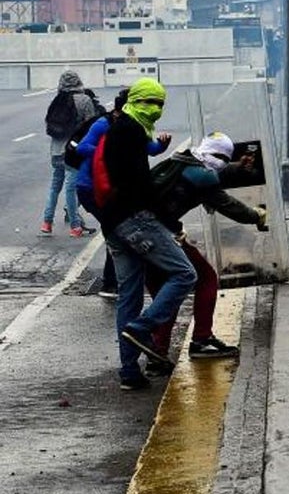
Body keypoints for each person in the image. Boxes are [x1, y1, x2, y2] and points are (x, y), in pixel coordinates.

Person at [142, 132, 269, 372]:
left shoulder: (182, 159)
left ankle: (157, 354)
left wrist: (235, 168)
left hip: (139, 233)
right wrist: (256, 215)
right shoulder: (200, 175)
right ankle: (201, 339)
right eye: (223, 159)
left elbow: (211, 175)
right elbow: (226, 203)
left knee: (165, 294)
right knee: (206, 278)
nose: (221, 164)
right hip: (161, 235)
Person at [100, 78, 197, 391]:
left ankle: (129, 372)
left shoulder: (124, 126)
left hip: (113, 222)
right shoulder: (130, 131)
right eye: (149, 103)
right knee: (184, 274)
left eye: (160, 104)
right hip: (134, 219)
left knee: (128, 296)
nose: (154, 110)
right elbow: (142, 187)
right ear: (136, 100)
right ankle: (143, 329)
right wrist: (172, 223)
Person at [74, 88, 171, 299]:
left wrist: (162, 146)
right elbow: (82, 148)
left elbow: (149, 149)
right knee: (117, 229)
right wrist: (111, 150)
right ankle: (111, 283)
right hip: (91, 187)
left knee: (117, 229)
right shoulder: (105, 124)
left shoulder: (135, 126)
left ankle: (117, 282)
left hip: (113, 188)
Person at [41, 70, 101, 237]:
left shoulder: (57, 100)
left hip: (55, 151)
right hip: (73, 152)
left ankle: (47, 223)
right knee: (71, 189)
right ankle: (75, 226)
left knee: (54, 187)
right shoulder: (84, 99)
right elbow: (91, 126)